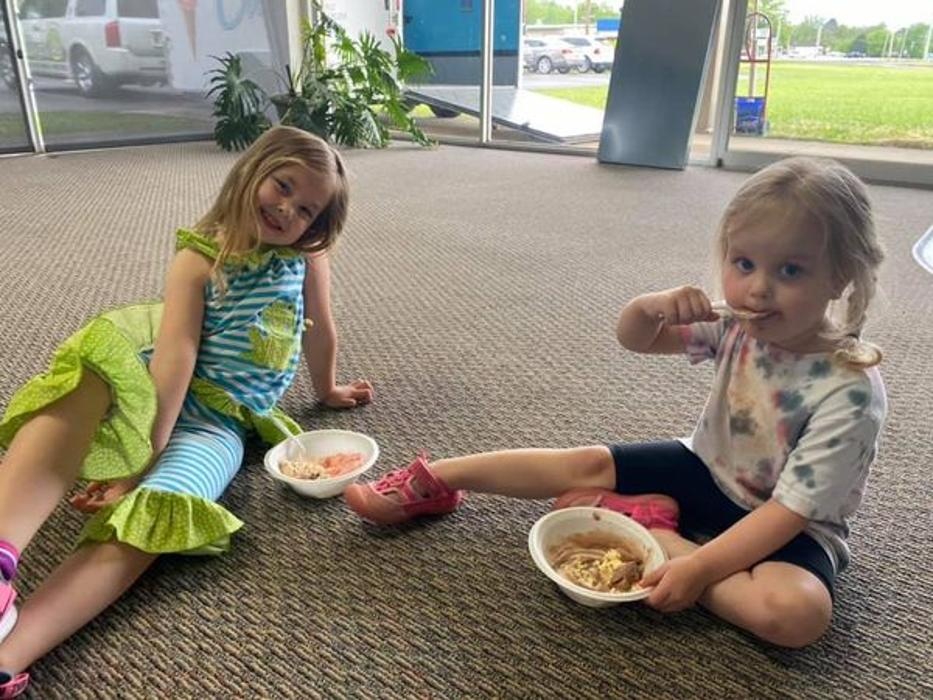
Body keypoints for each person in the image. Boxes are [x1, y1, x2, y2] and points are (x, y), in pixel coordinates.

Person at [345, 156, 886, 649]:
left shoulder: (850, 392)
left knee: (797, 615)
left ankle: (655, 533)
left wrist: (696, 570)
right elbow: (638, 339)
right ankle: (437, 479)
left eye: (790, 271)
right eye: (743, 263)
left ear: (840, 276)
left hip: (790, 523)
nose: (758, 289)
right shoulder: (737, 325)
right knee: (586, 462)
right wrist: (651, 307)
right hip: (705, 469)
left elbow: (789, 512)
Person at [0, 126, 373, 696]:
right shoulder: (198, 261)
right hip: (157, 387)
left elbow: (319, 327)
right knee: (88, 378)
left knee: (168, 507)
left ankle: (13, 653)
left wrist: (327, 390)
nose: (287, 210)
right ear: (252, 171)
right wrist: (135, 463)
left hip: (219, 427)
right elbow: (173, 363)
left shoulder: (304, 258)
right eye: (283, 186)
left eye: (306, 210)